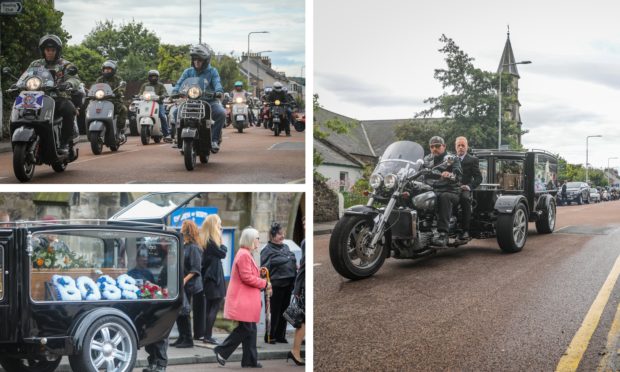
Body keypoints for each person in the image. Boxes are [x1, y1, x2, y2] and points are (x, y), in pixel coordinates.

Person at [213, 227, 271, 368]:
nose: (259, 240)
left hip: (245, 299)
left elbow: (249, 275)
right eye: (257, 238)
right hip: (243, 300)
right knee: (246, 329)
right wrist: (264, 283)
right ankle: (222, 350)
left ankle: (249, 360)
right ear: (251, 240)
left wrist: (260, 274)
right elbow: (246, 278)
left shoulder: (245, 253)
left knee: (250, 329)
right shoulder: (244, 254)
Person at [25, 34, 81, 153]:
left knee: (69, 109)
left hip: (58, 97)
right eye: (47, 50)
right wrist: (17, 83)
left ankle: (65, 142)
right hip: (36, 97)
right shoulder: (35, 64)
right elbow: (26, 77)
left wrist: (68, 83)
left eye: (53, 50)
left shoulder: (65, 65)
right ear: (43, 51)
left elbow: (75, 78)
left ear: (57, 51)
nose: (50, 52)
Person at [172, 44, 225, 153]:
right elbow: (179, 83)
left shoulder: (212, 71)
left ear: (205, 61)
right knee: (175, 112)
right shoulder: (188, 72)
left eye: (199, 60)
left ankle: (214, 140)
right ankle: (177, 137)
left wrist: (218, 91)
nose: (197, 62)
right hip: (191, 101)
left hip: (209, 102)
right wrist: (175, 91)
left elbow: (217, 83)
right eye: (195, 59)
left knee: (221, 113)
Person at [260, 222, 297, 344]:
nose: (282, 236)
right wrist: (266, 285)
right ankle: (270, 336)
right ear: (273, 235)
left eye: (283, 233)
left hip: (288, 283)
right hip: (275, 285)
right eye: (280, 234)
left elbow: (291, 259)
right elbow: (264, 269)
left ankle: (281, 335)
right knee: (273, 312)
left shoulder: (285, 247)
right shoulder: (267, 250)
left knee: (284, 311)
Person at [423, 136, 462, 247]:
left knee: (443, 196)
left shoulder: (452, 158)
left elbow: (458, 175)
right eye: (432, 146)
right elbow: (419, 171)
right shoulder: (427, 159)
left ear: (444, 146)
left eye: (437, 146)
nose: (434, 148)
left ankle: (443, 234)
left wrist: (450, 175)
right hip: (432, 189)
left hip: (451, 191)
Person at [170, 220, 203, 348]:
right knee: (180, 310)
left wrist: (184, 280)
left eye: (183, 228)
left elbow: (196, 269)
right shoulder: (184, 245)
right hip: (182, 283)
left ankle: (188, 339)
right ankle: (182, 337)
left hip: (190, 285)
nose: (181, 230)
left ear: (188, 230)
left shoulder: (194, 248)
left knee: (185, 310)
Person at [200, 215, 227, 345]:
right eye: (219, 224)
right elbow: (223, 253)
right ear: (213, 226)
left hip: (210, 279)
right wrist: (221, 240)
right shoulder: (212, 242)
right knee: (214, 306)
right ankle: (208, 336)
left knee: (210, 307)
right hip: (213, 279)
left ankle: (207, 335)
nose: (220, 227)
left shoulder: (207, 241)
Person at [454, 136, 482, 242]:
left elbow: (479, 178)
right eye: (458, 145)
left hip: (464, 189)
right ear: (455, 147)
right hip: (451, 188)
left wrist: (469, 186)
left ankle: (465, 230)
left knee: (465, 199)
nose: (460, 147)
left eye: (463, 145)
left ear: (467, 147)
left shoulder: (473, 160)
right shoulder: (450, 159)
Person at [288, 218, 305, 366]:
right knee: (303, 320)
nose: (305, 226)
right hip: (303, 286)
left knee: (304, 319)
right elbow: (303, 268)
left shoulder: (305, 241)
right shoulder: (305, 242)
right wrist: (297, 289)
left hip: (303, 285)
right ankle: (296, 351)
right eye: (304, 223)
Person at [95, 60, 127, 140]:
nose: (107, 71)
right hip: (100, 101)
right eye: (105, 69)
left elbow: (122, 87)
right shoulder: (99, 79)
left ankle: (119, 130)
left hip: (114, 100)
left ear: (113, 70)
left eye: (109, 69)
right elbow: (95, 88)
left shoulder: (118, 79)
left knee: (123, 109)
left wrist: (120, 92)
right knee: (88, 108)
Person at [138, 70, 172, 142]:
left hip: (158, 103)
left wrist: (163, 96)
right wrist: (137, 95)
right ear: (149, 77)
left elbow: (164, 92)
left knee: (162, 116)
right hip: (146, 103)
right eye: (152, 76)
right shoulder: (145, 85)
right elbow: (140, 93)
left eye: (155, 76)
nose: (153, 78)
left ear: (157, 77)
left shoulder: (160, 85)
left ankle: (166, 134)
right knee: (140, 114)